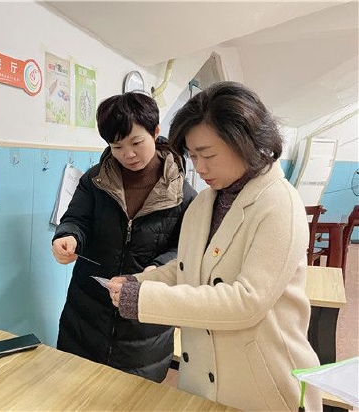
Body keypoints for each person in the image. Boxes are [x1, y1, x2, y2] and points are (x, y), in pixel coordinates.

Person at [107, 82, 322, 411]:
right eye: (193, 156)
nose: (200, 167)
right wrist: (140, 282)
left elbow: (247, 301)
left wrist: (146, 298)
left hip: (262, 382)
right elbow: (187, 268)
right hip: (203, 376)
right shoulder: (204, 203)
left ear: (245, 142)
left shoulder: (280, 204)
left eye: (207, 155)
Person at [51, 92, 196, 383]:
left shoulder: (183, 195)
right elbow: (76, 219)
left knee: (132, 397)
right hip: (86, 314)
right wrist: (68, 237)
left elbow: (185, 250)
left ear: (155, 131)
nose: (128, 154)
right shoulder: (95, 180)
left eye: (136, 143)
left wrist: (158, 269)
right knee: (73, 390)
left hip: (145, 322)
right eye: (117, 146)